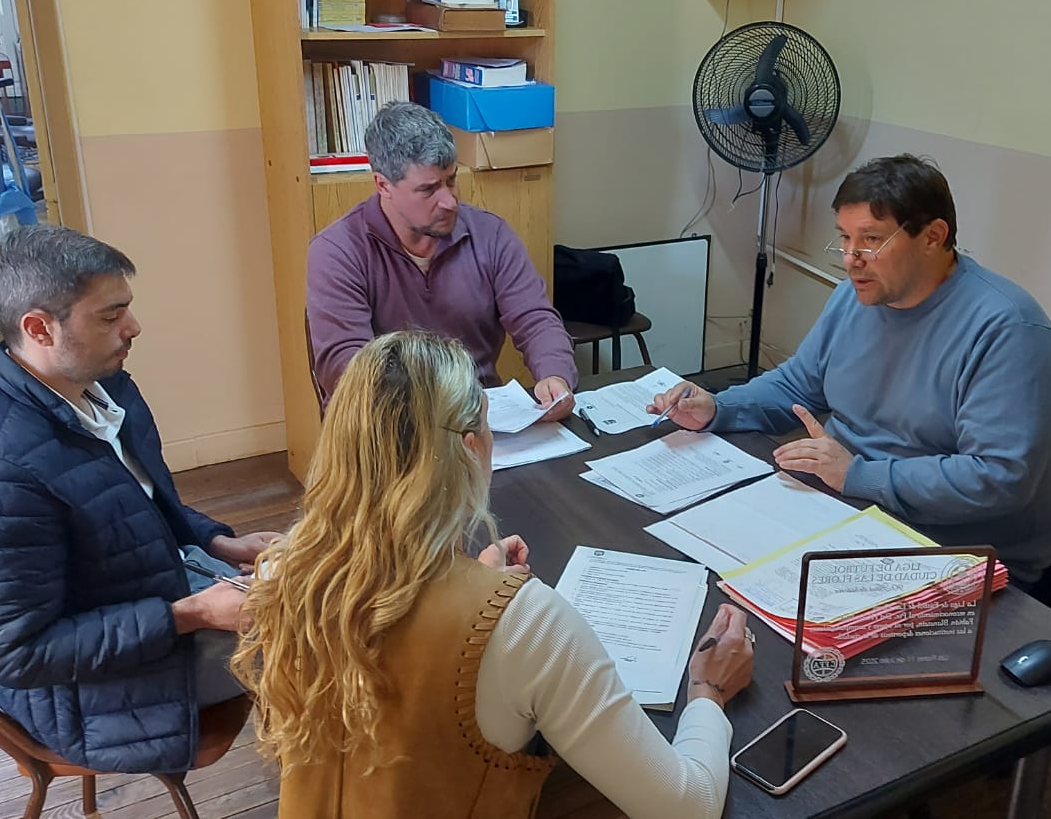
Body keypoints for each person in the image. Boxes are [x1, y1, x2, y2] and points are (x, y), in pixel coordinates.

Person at [233, 331, 753, 818]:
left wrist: (471, 590)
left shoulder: (287, 570)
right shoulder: (525, 624)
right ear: (468, 448)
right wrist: (707, 690)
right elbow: (686, 805)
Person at [0, 225, 279, 773]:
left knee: (344, 589)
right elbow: (17, 654)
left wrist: (217, 542)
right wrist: (194, 613)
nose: (133, 327)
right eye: (110, 317)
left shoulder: (101, 386)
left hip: (155, 600)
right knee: (343, 632)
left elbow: (136, 504)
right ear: (39, 328)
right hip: (97, 692)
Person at [650, 155, 1051, 585]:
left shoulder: (1008, 330)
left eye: (871, 240)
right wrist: (719, 408)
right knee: (690, 564)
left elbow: (997, 477)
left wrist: (858, 475)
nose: (851, 259)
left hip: (952, 548)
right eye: (845, 238)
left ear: (932, 237)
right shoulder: (858, 295)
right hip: (847, 504)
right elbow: (797, 385)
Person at [306, 101, 577, 419]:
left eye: (451, 180)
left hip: (476, 418)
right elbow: (348, 368)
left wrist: (555, 375)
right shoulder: (337, 251)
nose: (449, 201)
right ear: (383, 185)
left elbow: (535, 319)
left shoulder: (489, 234)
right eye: (429, 189)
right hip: (385, 420)